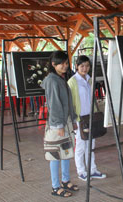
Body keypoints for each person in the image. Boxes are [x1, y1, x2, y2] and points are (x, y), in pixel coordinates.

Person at [42, 51, 79, 198]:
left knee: (66, 152)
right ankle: (55, 186)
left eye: (66, 63)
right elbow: (55, 104)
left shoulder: (60, 78)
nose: (65, 66)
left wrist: (73, 120)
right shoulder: (52, 80)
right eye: (61, 63)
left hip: (66, 121)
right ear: (53, 64)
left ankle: (65, 180)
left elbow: (67, 102)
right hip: (58, 124)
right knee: (55, 154)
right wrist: (59, 126)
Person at [68, 55, 107, 181]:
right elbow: (70, 102)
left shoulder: (90, 79)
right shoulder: (72, 82)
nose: (85, 68)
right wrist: (73, 119)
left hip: (91, 117)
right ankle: (81, 171)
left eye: (87, 66)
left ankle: (92, 170)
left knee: (91, 145)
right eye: (82, 66)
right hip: (80, 119)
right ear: (77, 66)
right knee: (80, 146)